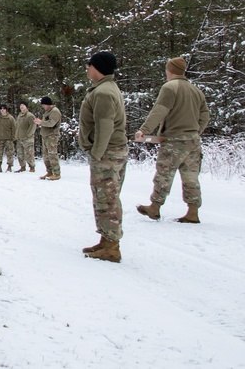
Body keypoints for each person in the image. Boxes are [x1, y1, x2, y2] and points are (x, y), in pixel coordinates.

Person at [134, 56, 211, 224]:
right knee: (191, 177)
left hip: (174, 140)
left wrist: (144, 130)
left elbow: (160, 110)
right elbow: (205, 115)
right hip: (193, 141)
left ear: (170, 70)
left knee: (164, 174)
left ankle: (155, 207)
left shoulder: (170, 87)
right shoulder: (196, 91)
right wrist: (196, 131)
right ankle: (193, 211)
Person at [78, 51, 127, 263]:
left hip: (107, 153)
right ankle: (106, 240)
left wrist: (97, 153)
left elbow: (105, 125)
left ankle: (112, 247)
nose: (87, 69)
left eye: (89, 65)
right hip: (109, 151)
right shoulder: (104, 88)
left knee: (106, 199)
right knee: (105, 197)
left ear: (97, 67)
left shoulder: (104, 92)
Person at [35, 96, 63, 180]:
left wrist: (41, 122)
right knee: (46, 155)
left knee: (52, 154)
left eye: (43, 104)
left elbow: (51, 123)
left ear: (47, 104)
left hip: (52, 136)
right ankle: (50, 171)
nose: (42, 106)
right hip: (46, 135)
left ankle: (57, 173)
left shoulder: (55, 111)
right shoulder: (48, 112)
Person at [0, 104, 16, 173]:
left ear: (6, 109)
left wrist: (13, 136)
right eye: (1, 108)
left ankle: (9, 167)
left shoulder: (10, 118)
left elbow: (14, 128)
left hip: (8, 138)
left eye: (4, 108)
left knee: (10, 153)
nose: (2, 110)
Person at [14, 101, 37, 172]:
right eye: (21, 105)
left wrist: (28, 135)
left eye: (23, 105)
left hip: (27, 139)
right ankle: (22, 167)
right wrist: (16, 136)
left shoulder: (30, 115)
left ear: (26, 106)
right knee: (20, 154)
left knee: (29, 154)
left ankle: (32, 167)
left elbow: (33, 126)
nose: (22, 106)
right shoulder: (19, 116)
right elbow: (17, 127)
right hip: (19, 138)